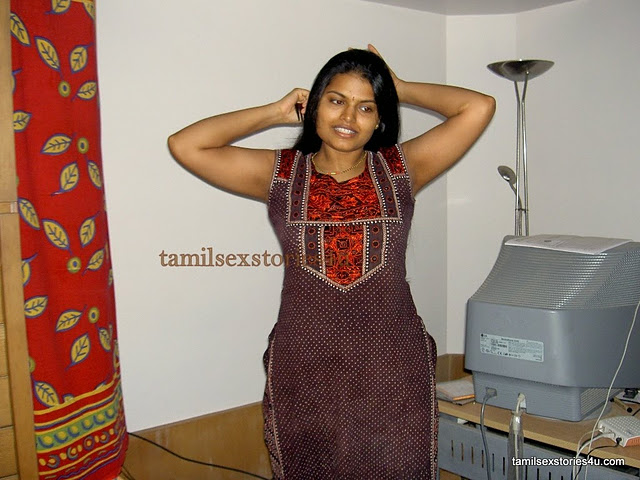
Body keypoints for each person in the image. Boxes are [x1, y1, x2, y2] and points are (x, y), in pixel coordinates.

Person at [168, 45, 495, 479]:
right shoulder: (280, 174)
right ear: (315, 106)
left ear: (379, 119)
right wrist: (274, 113)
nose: (349, 117)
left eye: (366, 107)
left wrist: (399, 87)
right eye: (337, 101)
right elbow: (186, 145)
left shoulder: (401, 168)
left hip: (392, 370)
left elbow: (478, 107)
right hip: (305, 372)